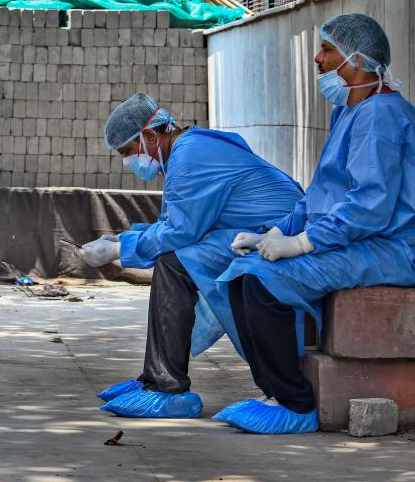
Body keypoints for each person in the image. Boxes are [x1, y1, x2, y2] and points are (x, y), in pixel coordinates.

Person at [222, 13, 415, 434]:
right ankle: (274, 391)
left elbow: (371, 206)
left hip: (390, 247)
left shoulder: (380, 115)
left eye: (328, 50)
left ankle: (297, 404)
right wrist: (278, 231)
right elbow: (322, 195)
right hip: (358, 239)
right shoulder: (350, 111)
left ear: (358, 60)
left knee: (261, 282)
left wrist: (305, 243)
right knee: (241, 273)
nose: (318, 58)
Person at [76, 93, 304, 418]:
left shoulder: (188, 156)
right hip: (257, 228)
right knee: (174, 259)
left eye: (128, 152)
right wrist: (125, 240)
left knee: (174, 263)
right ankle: (155, 377)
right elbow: (172, 224)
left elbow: (180, 232)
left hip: (276, 231)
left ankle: (168, 387)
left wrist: (118, 249)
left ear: (151, 135)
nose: (129, 162)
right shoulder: (185, 152)